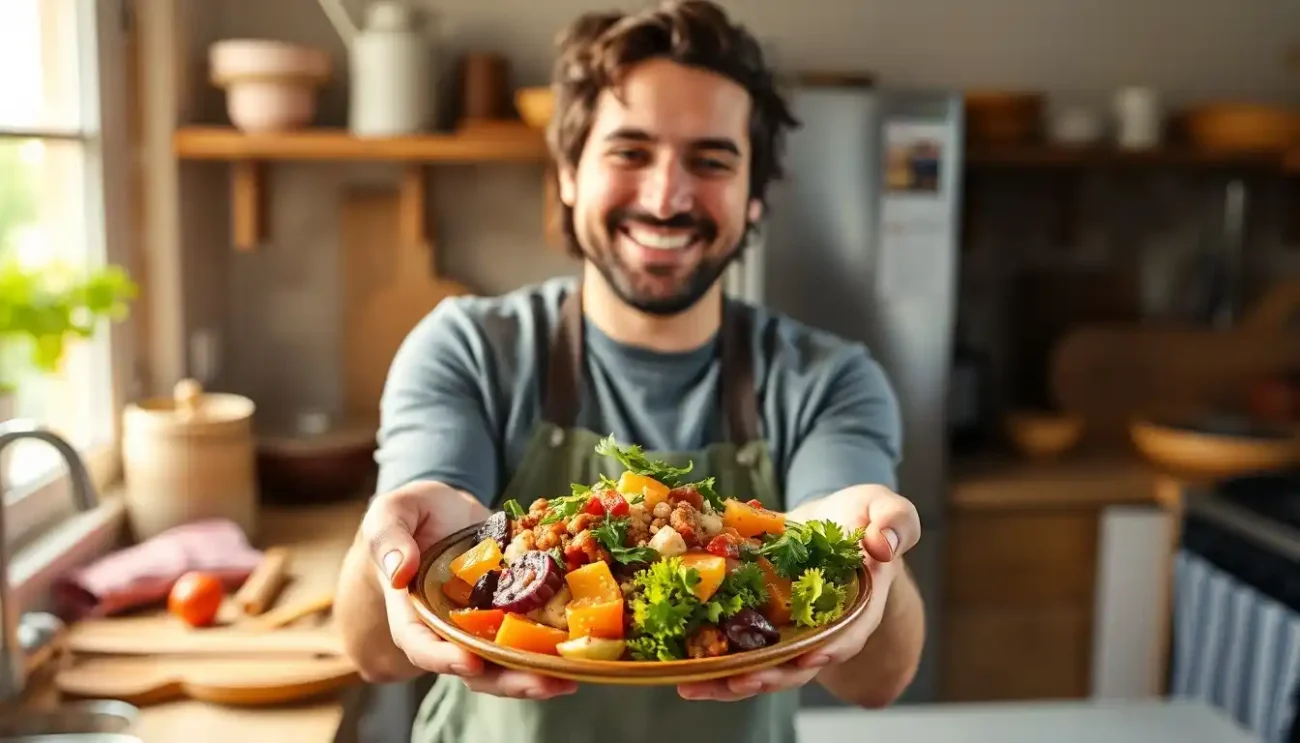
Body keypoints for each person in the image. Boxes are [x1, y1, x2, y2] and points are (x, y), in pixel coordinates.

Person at [334, 2, 926, 742]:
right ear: (568, 174)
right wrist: (394, 544)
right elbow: (372, 652)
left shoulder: (828, 378)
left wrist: (868, 563)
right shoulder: (468, 348)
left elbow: (879, 679)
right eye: (629, 151)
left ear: (754, 199)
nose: (666, 196)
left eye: (711, 160)